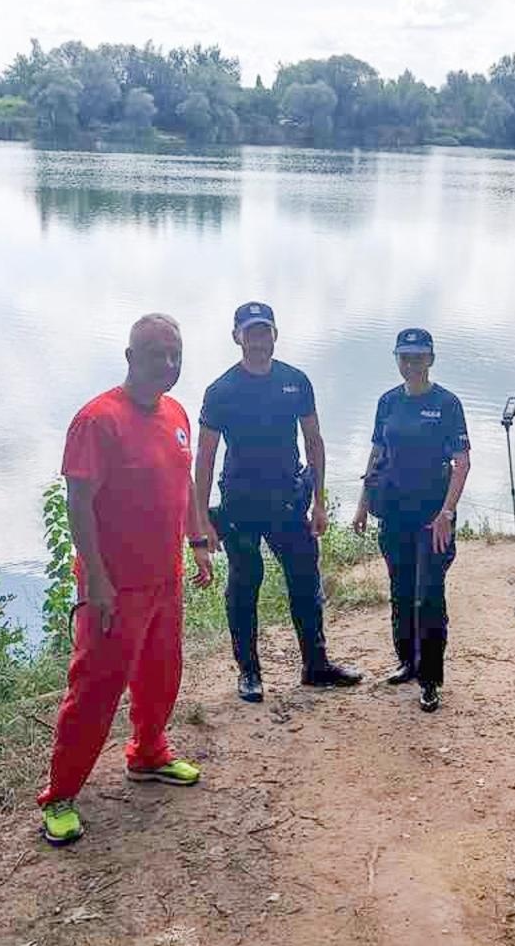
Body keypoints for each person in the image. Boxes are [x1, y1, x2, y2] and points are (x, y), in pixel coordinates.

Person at [38, 313, 215, 848]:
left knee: (162, 674)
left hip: (165, 578)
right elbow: (78, 504)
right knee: (95, 689)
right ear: (131, 356)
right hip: (114, 588)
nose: (168, 363)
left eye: (175, 354)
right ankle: (61, 794)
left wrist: (198, 542)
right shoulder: (98, 421)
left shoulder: (177, 413)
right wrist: (95, 579)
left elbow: (181, 482)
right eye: (157, 353)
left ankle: (148, 754)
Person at [195, 301, 362, 702]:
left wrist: (319, 502)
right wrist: (200, 518)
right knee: (244, 585)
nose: (258, 340)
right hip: (240, 505)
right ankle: (249, 672)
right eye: (250, 332)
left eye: (264, 331)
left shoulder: (295, 381)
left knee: (305, 582)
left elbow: (314, 442)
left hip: (289, 501)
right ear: (237, 336)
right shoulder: (222, 391)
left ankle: (316, 665)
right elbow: (205, 457)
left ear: (275, 334)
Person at [351, 328, 471, 712]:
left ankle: (430, 679)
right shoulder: (387, 402)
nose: (411, 363)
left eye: (418, 357)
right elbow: (376, 454)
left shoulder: (447, 403)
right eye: (404, 356)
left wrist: (446, 513)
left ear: (431, 359)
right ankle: (407, 661)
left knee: (428, 595)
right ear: (397, 359)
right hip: (395, 512)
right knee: (401, 590)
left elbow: (462, 463)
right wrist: (361, 504)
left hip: (432, 517)